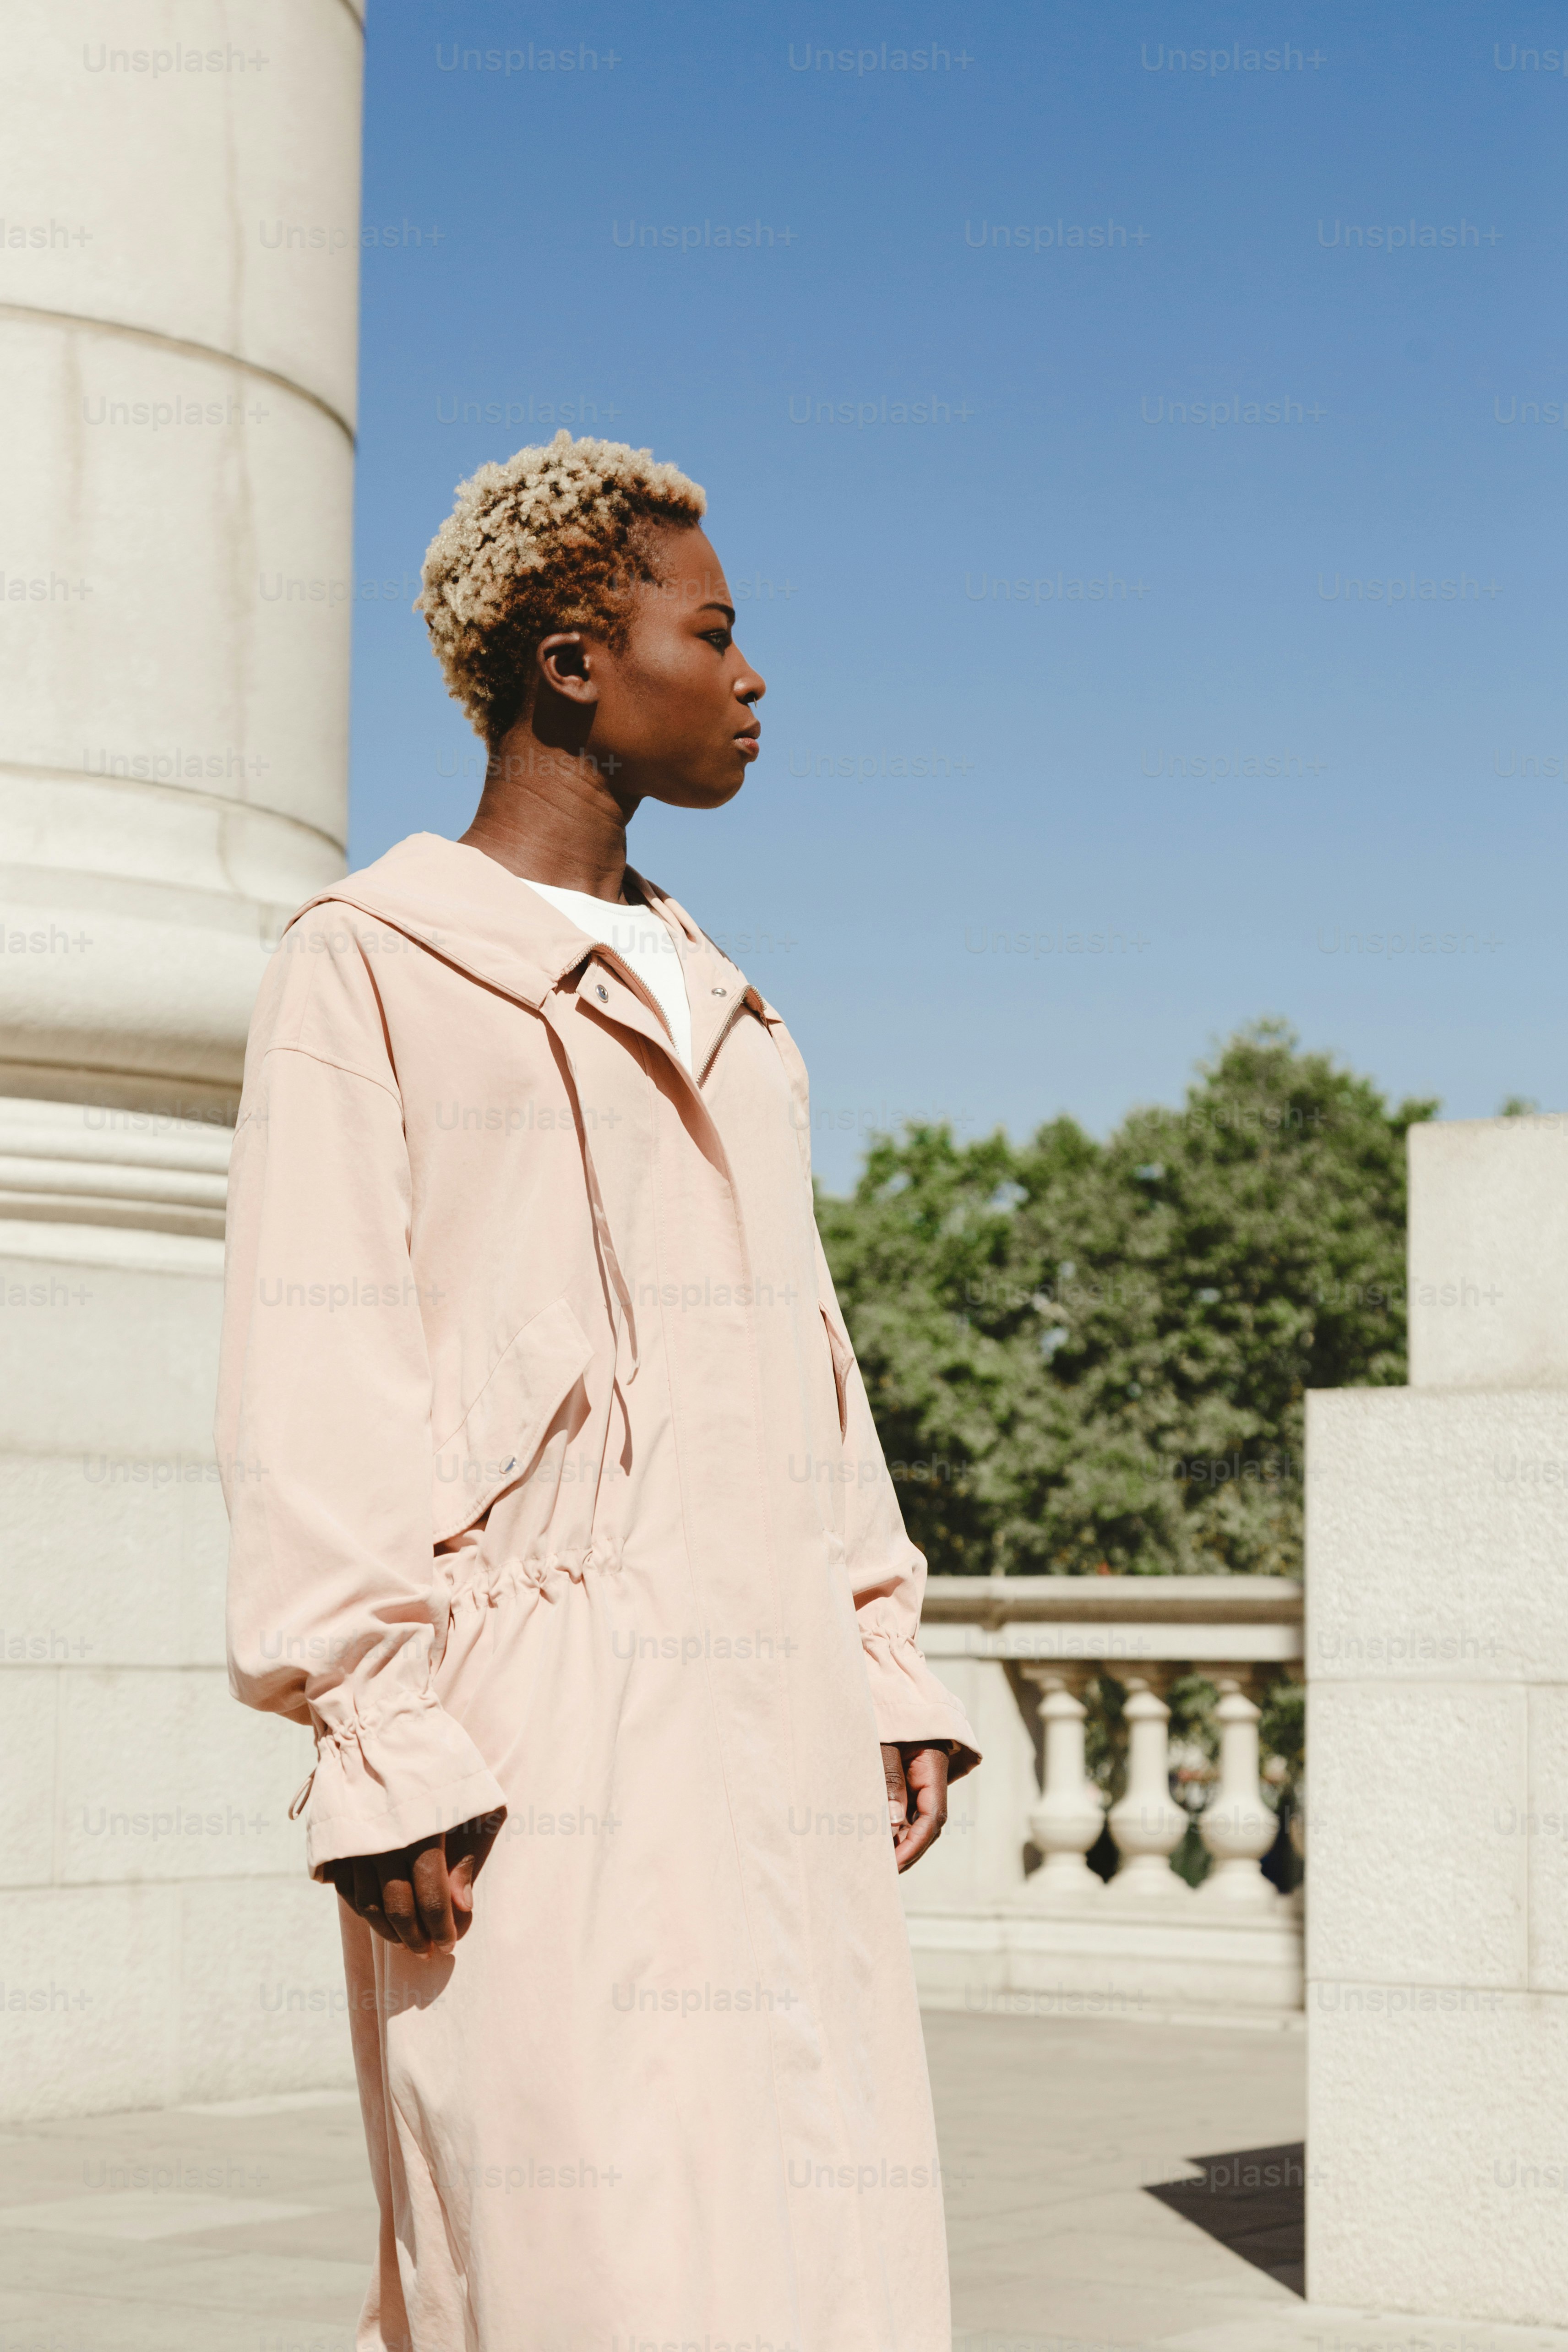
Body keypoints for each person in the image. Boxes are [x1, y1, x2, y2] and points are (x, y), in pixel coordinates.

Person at [219, 431, 980, 2352]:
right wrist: (379, 1737)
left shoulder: (734, 1003)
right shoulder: (371, 967)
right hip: (528, 1738)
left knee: (813, 2253)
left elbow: (809, 1366)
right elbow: (315, 1366)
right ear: (572, 657)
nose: (750, 679)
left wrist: (879, 1656)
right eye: (709, 633)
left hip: (779, 1710)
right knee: (572, 2269)